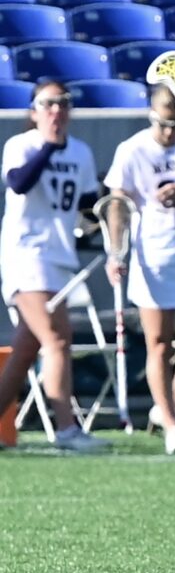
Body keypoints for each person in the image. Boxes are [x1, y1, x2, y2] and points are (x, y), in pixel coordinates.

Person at [103, 84, 175, 455]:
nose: (170, 132)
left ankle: (168, 402)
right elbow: (118, 204)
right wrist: (115, 252)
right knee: (159, 344)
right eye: (163, 124)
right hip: (153, 258)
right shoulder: (133, 149)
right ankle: (172, 425)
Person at [0, 80, 110, 452]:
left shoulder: (80, 151)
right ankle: (66, 429)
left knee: (25, 351)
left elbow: (88, 206)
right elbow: (18, 183)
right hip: (26, 255)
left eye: (63, 103)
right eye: (48, 104)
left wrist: (112, 214)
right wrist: (49, 146)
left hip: (59, 257)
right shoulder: (22, 145)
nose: (56, 110)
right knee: (58, 339)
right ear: (34, 112)